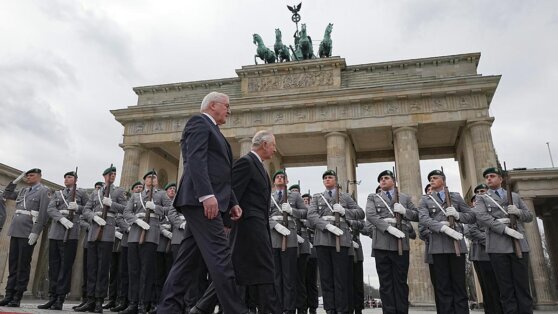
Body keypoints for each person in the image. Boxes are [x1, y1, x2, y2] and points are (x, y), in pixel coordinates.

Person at [159, 92, 248, 314]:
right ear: (212, 106)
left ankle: (168, 308)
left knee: (186, 261)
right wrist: (206, 195)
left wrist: (233, 201)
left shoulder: (216, 132)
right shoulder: (198, 122)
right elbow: (195, 160)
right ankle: (236, 310)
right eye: (227, 106)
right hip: (202, 202)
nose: (229, 110)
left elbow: (221, 173)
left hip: (208, 200)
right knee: (221, 256)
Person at [229, 130, 282, 314]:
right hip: (248, 226)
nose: (275, 150)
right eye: (273, 145)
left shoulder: (259, 166)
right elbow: (233, 192)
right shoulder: (246, 162)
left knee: (241, 271)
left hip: (258, 225)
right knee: (265, 268)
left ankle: (203, 307)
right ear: (264, 144)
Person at [474, 167, 533, 313]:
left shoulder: (514, 197)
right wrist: (504, 229)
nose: (489, 179)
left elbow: (529, 216)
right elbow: (482, 217)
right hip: (497, 245)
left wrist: (517, 212)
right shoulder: (482, 198)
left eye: (492, 176)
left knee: (523, 286)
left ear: (501, 179)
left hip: (518, 244)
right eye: (487, 177)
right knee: (505, 288)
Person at [307, 169, 365, 314]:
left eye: (330, 177)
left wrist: (345, 211)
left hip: (342, 238)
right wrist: (326, 226)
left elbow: (360, 213)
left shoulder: (345, 197)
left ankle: (342, 309)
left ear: (336, 180)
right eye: (325, 178)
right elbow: (311, 215)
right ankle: (330, 309)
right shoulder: (317, 197)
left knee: (341, 278)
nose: (327, 179)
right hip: (323, 238)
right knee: (326, 278)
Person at [418, 169, 475, 314]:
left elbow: (470, 216)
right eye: (430, 178)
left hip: (456, 244)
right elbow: (424, 219)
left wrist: (457, 215)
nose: (431, 180)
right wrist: (442, 228)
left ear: (443, 180)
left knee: (459, 285)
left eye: (435, 177)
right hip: (438, 245)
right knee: (443, 287)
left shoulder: (455, 197)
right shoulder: (425, 199)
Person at [365, 170, 419, 314]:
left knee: (400, 282)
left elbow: (417, 215)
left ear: (394, 181)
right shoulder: (373, 197)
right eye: (381, 179)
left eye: (386, 178)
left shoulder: (405, 198)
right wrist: (388, 228)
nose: (383, 180)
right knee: (386, 283)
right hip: (381, 243)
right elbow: (370, 215)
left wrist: (404, 211)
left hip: (400, 243)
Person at [76, 166, 127, 313]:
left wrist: (112, 204)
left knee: (103, 268)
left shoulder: (118, 191)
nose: (112, 176)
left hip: (108, 230)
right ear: (104, 176)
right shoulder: (95, 193)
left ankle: (99, 300)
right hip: (94, 230)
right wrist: (94, 217)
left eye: (114, 174)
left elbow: (125, 208)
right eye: (110, 174)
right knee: (92, 267)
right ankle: (90, 299)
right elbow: (86, 209)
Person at [121, 170, 172, 314]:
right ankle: (133, 302)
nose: (152, 179)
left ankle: (143, 304)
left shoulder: (161, 194)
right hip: (135, 233)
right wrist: (136, 220)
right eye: (149, 177)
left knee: (147, 271)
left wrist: (155, 208)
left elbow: (170, 210)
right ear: (144, 180)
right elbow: (127, 212)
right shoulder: (136, 196)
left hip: (151, 234)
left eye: (154, 177)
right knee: (134, 270)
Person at [0, 168, 50, 308]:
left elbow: (43, 213)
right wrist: (15, 181)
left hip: (28, 231)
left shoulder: (43, 191)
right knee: (13, 264)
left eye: (31, 175)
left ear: (39, 177)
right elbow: (7, 194)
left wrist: (36, 231)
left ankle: (17, 296)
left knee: (23, 265)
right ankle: (9, 294)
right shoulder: (23, 191)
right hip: (16, 230)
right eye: (26, 176)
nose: (28, 178)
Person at [39, 171, 88, 310]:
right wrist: (61, 218)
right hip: (56, 232)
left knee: (65, 267)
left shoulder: (82, 193)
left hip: (71, 233)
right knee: (53, 266)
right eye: (65, 177)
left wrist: (77, 207)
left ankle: (60, 297)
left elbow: (88, 210)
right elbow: (50, 208)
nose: (67, 179)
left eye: (70, 177)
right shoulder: (58, 193)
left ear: (76, 180)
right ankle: (52, 296)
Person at [268, 171, 306, 314]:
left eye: (282, 177)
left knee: (289, 276)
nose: (280, 178)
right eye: (277, 177)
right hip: (273, 236)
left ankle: (289, 308)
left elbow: (305, 212)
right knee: (276, 276)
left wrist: (292, 211)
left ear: (287, 181)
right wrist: (274, 225)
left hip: (289, 236)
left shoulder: (295, 196)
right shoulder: (268, 196)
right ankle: (278, 307)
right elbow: (263, 214)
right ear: (274, 181)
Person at [465, 183, 503, 314]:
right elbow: (471, 231)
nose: (481, 194)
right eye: (478, 193)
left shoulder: (495, 209)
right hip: (481, 254)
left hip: (499, 252)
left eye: (483, 191)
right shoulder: (472, 213)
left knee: (502, 286)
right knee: (488, 288)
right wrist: (494, 239)